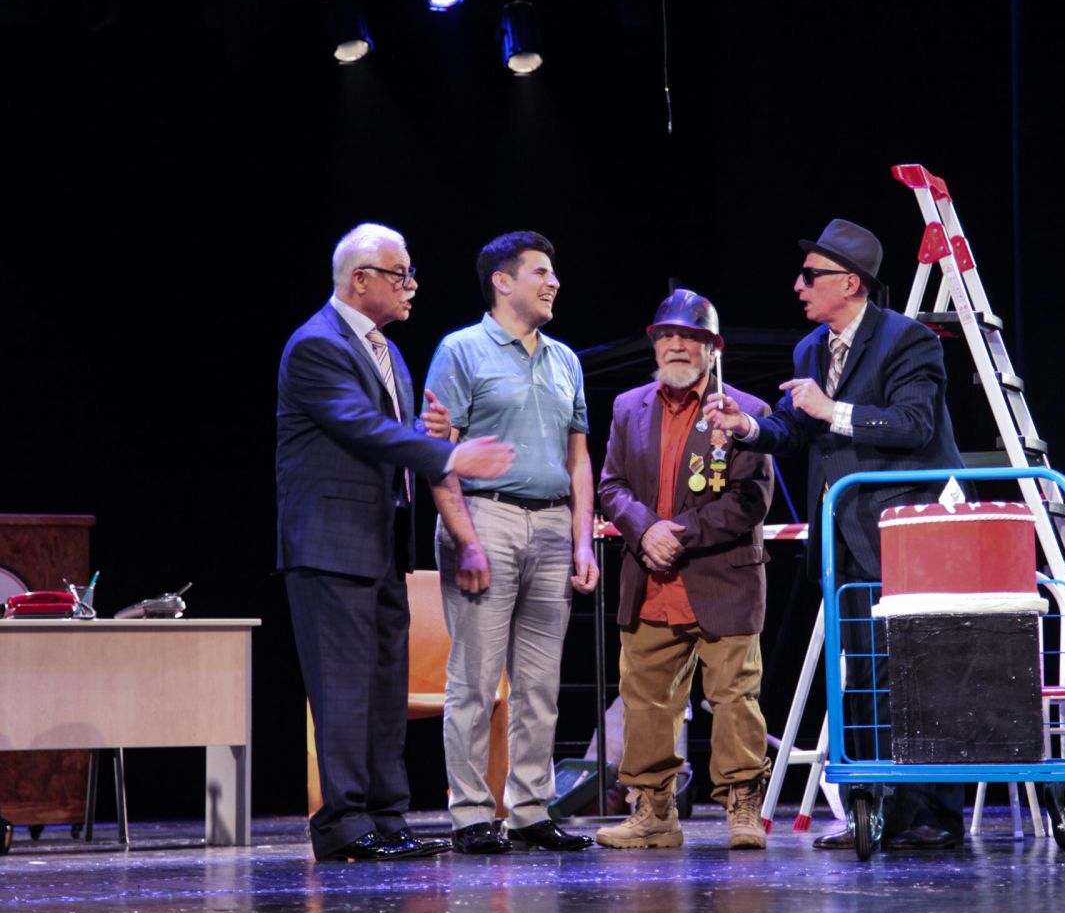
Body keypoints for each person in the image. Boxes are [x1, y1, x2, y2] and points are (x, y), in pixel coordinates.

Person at [704, 218, 968, 851]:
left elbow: (913, 424)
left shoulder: (908, 341)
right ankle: (873, 811)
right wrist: (747, 427)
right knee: (863, 675)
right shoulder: (810, 350)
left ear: (849, 282)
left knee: (918, 670)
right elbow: (797, 430)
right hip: (844, 539)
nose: (798, 287)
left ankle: (932, 814)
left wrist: (833, 409)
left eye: (810, 276)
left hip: (905, 532)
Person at [277, 222, 514, 862]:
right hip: (330, 546)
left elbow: (387, 430)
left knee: (384, 687)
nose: (412, 286)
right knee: (344, 689)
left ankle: (386, 818)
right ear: (361, 280)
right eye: (400, 274)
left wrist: (426, 430)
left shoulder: (387, 351)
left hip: (380, 545)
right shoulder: (317, 345)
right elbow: (358, 427)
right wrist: (450, 454)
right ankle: (343, 825)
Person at [425, 230, 600, 855]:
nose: (554, 283)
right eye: (540, 273)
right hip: (485, 517)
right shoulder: (461, 350)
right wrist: (465, 539)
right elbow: (439, 454)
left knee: (540, 685)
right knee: (475, 681)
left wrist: (583, 540)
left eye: (553, 273)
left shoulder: (565, 359)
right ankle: (471, 814)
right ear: (502, 281)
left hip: (552, 524)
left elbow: (579, 458)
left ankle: (530, 810)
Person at [594, 290, 775, 850]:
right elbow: (611, 486)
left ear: (713, 348)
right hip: (651, 578)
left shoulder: (746, 410)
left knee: (734, 697)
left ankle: (742, 806)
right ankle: (653, 811)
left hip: (722, 579)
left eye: (690, 336)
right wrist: (645, 529)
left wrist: (680, 534)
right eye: (666, 336)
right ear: (654, 344)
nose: (676, 345)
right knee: (647, 700)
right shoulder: (629, 407)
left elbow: (751, 499)